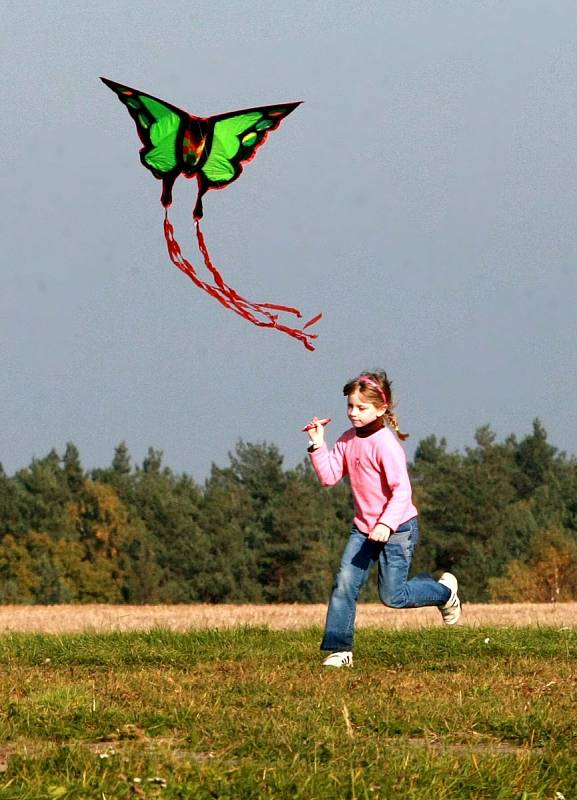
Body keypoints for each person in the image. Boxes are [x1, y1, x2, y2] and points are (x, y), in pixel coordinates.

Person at [305, 370, 461, 668]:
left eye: (361, 408)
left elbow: (402, 492)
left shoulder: (385, 445)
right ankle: (340, 650)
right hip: (364, 529)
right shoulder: (348, 440)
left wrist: (385, 524)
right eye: (350, 406)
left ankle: (445, 593)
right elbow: (328, 477)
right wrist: (317, 444)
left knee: (393, 596)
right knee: (344, 584)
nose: (353, 413)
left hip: (398, 529)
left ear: (381, 408)